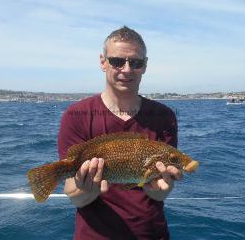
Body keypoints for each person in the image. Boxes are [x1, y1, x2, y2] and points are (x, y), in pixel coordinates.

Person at [58, 26, 182, 239]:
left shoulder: (164, 116)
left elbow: (159, 192)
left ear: (145, 66)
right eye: (117, 61)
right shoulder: (76, 115)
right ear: (102, 62)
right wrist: (87, 189)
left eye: (135, 62)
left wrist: (160, 190)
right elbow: (74, 195)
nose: (126, 69)